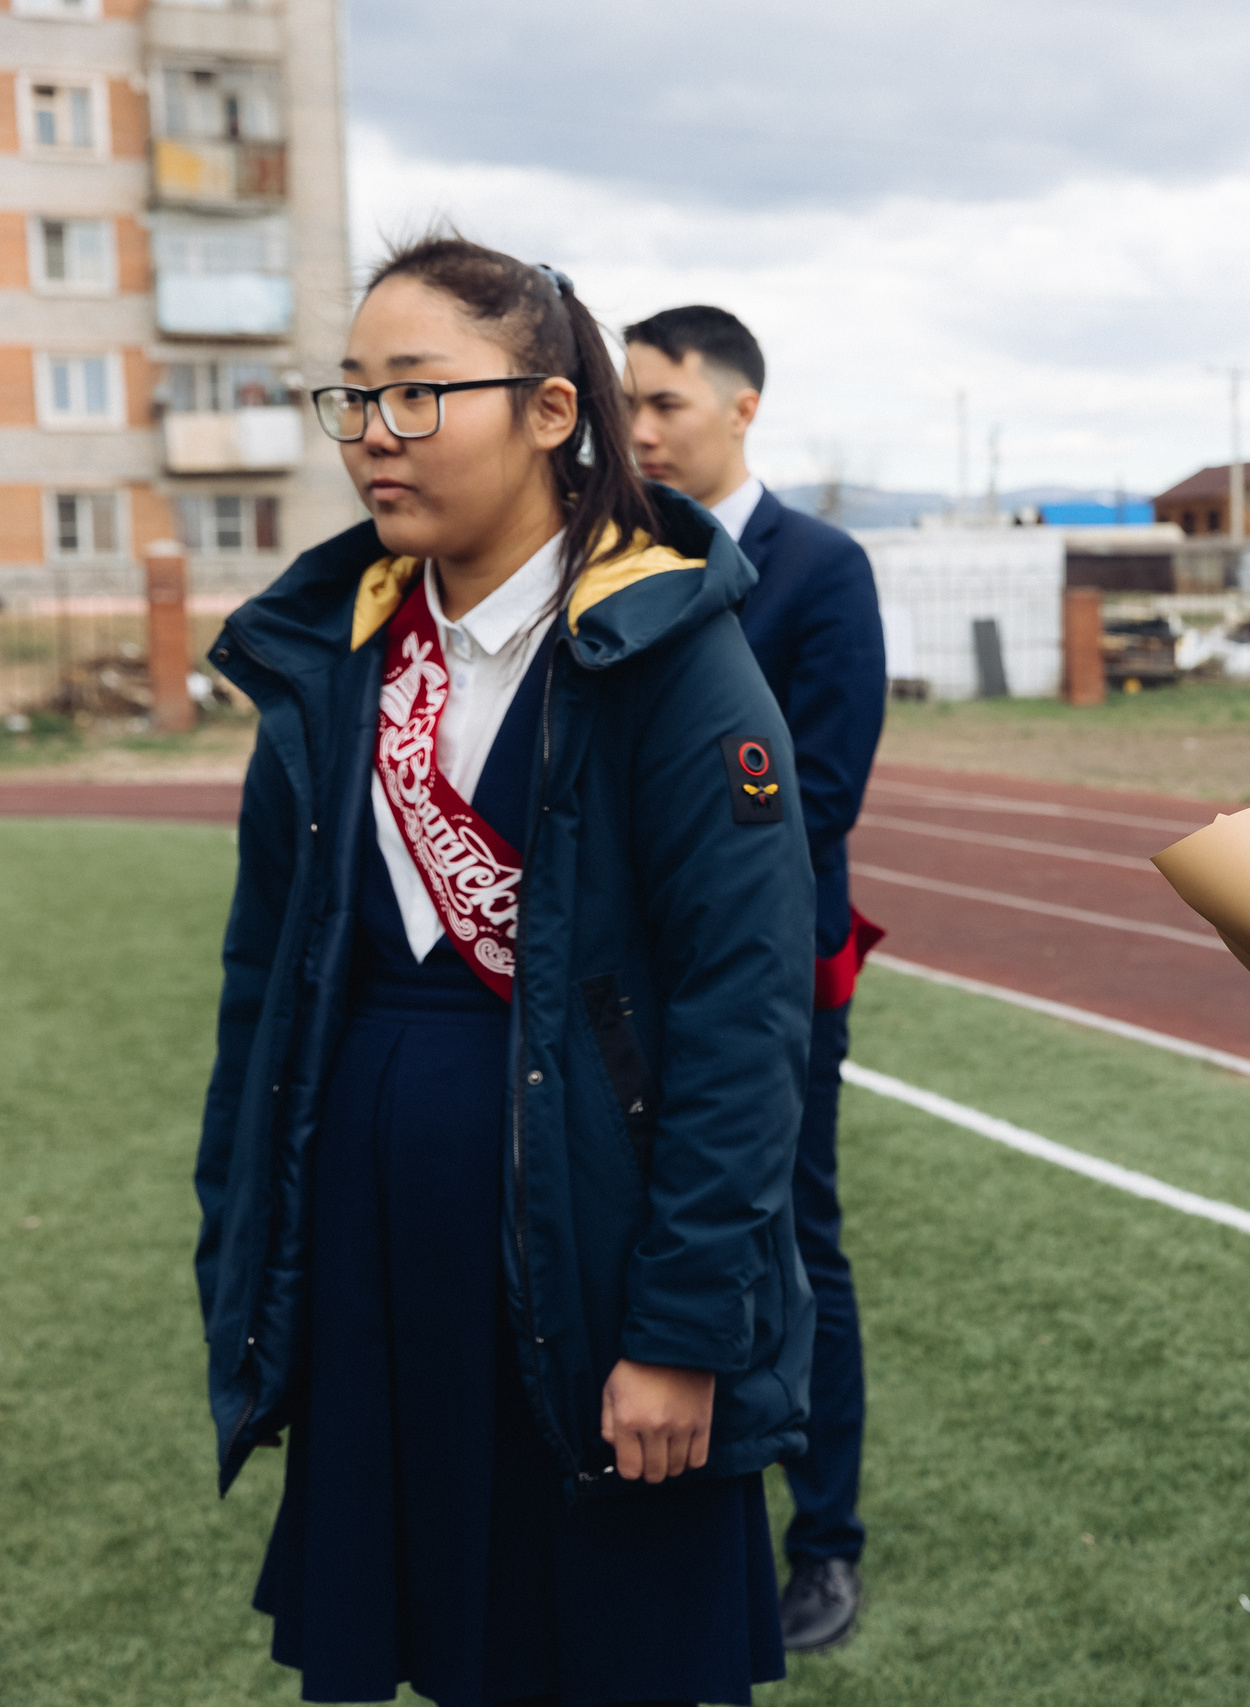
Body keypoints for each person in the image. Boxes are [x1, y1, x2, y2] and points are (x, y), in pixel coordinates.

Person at [196, 235, 814, 1707]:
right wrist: (249, 1255)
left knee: (607, 1651)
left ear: (550, 412)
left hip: (588, 1247)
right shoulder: (335, 656)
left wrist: (680, 1329)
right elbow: (261, 988)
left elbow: (741, 1022)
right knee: (427, 1641)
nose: (370, 438)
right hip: (373, 1242)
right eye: (348, 400)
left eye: (415, 396)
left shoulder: (672, 652)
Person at [624, 305, 888, 1653]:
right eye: (628, 402)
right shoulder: (608, 565)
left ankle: (824, 1539)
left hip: (774, 976)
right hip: (621, 990)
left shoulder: (820, 567)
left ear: (742, 406)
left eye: (663, 402)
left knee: (795, 1243)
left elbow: (820, 794)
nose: (640, 427)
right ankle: (671, 1508)